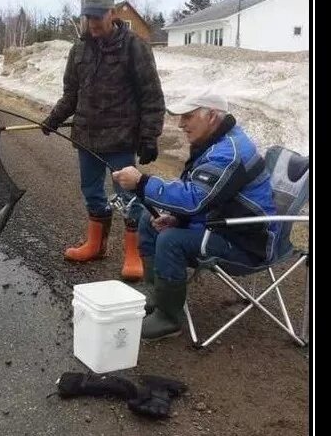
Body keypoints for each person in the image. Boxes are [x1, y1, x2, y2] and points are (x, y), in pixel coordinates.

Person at [112, 91, 279, 341]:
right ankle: (158, 294)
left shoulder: (228, 152)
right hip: (225, 224)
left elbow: (194, 200)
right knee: (150, 220)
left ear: (211, 116)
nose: (180, 125)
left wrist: (141, 182)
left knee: (171, 240)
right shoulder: (215, 142)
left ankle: (169, 319)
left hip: (247, 243)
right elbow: (211, 199)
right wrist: (179, 219)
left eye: (188, 117)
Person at [41, 0, 165, 281]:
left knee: (129, 197)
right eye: (88, 17)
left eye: (98, 17)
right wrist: (53, 119)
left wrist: (149, 136)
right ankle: (96, 245)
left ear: (112, 13)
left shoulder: (135, 46)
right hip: (86, 138)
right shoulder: (79, 50)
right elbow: (71, 94)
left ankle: (133, 253)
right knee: (92, 192)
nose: (93, 23)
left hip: (121, 139)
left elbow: (152, 96)